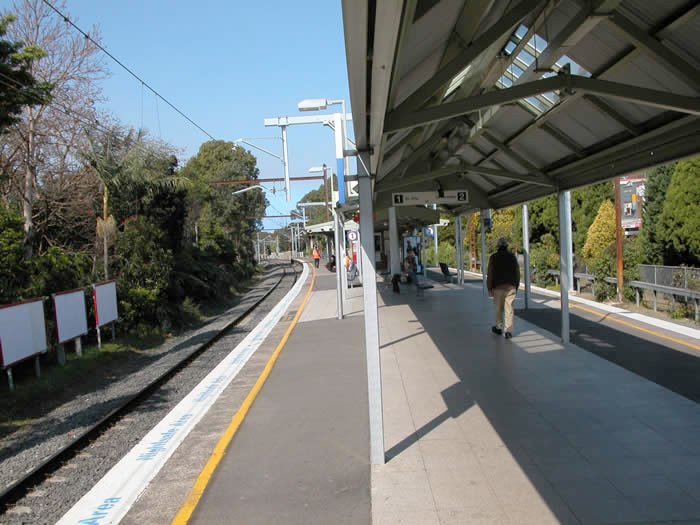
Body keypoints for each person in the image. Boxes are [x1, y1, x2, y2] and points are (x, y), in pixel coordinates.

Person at [486, 237, 520, 339]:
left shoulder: (493, 257)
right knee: (509, 308)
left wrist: (489, 287)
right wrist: (516, 286)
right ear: (506, 246)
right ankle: (508, 331)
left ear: (498, 246)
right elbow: (517, 272)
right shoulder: (512, 257)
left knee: (498, 309)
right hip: (511, 286)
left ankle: (498, 327)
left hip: (498, 287)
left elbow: (490, 273)